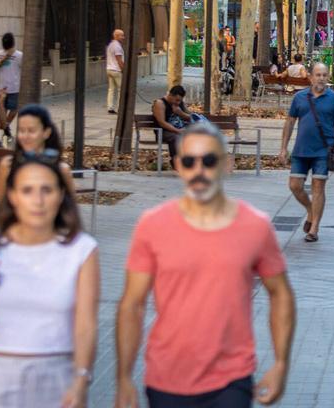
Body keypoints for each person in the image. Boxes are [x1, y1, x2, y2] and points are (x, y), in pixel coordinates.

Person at [116, 124, 293, 408]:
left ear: (225, 164)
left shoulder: (255, 226)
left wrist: (281, 362)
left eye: (209, 161)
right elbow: (132, 304)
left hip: (231, 380)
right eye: (189, 161)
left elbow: (281, 293)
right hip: (166, 378)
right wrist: (123, 377)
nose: (199, 170)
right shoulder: (152, 225)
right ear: (178, 166)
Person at [0, 150, 99, 408]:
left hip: (53, 378)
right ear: (12, 196)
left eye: (47, 190)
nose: (38, 200)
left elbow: (85, 324)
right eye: (27, 190)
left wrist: (81, 379)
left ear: (61, 195)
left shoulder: (80, 249)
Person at [279, 62, 334, 243]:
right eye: (318, 75)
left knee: (318, 187)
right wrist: (283, 147)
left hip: (323, 151)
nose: (321, 78)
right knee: (295, 186)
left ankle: (314, 227)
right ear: (310, 77)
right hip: (301, 150)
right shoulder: (300, 97)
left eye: (324, 75)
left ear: (328, 77)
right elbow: (290, 122)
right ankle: (310, 210)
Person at [0, 104, 75, 203]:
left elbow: (69, 211)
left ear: (46, 132)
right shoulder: (7, 166)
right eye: (21, 130)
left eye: (31, 131)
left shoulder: (62, 170)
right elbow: (2, 207)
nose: (25, 136)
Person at [0, 32, 23, 140]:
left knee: (2, 109)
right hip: (14, 87)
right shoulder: (19, 55)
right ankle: (7, 126)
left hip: (0, 87)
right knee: (15, 109)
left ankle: (6, 128)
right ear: (13, 42)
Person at [152, 86, 196, 167]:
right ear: (170, 95)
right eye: (177, 100)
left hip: (181, 129)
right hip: (164, 131)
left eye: (180, 100)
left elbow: (191, 117)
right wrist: (177, 131)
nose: (178, 102)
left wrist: (180, 113)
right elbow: (162, 122)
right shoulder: (160, 103)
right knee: (176, 137)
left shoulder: (180, 104)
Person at [107, 29, 127, 114]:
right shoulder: (117, 46)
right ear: (116, 36)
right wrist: (124, 69)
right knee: (121, 90)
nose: (123, 37)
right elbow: (119, 60)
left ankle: (110, 107)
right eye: (121, 35)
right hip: (116, 70)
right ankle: (120, 108)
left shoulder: (110, 45)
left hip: (109, 69)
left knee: (111, 89)